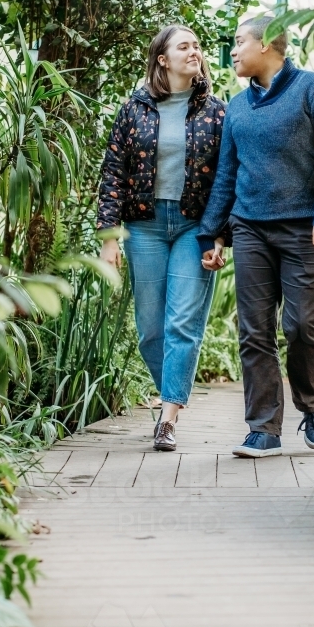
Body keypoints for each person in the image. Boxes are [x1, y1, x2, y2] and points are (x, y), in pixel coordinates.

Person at [197, 16, 314, 458]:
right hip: (250, 229)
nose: (233, 50)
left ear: (267, 44)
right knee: (255, 331)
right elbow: (227, 174)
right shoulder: (237, 108)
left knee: (302, 324)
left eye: (239, 41)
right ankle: (263, 428)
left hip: (306, 228)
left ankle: (311, 404)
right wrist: (214, 235)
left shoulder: (313, 89)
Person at [98, 25, 227, 452]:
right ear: (162, 60)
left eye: (197, 46)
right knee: (150, 330)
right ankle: (171, 394)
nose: (194, 51)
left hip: (195, 227)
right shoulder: (134, 109)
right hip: (144, 226)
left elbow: (227, 180)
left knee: (182, 323)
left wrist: (219, 237)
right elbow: (113, 174)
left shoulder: (216, 112)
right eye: (183, 46)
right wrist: (109, 238)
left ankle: (168, 417)